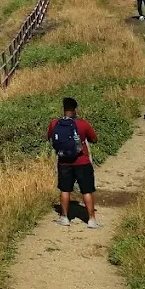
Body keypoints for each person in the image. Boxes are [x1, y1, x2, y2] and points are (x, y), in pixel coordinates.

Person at [48, 96, 99, 228]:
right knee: (86, 190)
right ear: (75, 109)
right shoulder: (83, 124)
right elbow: (94, 138)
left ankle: (64, 217)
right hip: (82, 161)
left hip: (64, 162)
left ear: (64, 109)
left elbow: (49, 137)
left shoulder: (54, 123)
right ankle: (92, 220)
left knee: (65, 190)